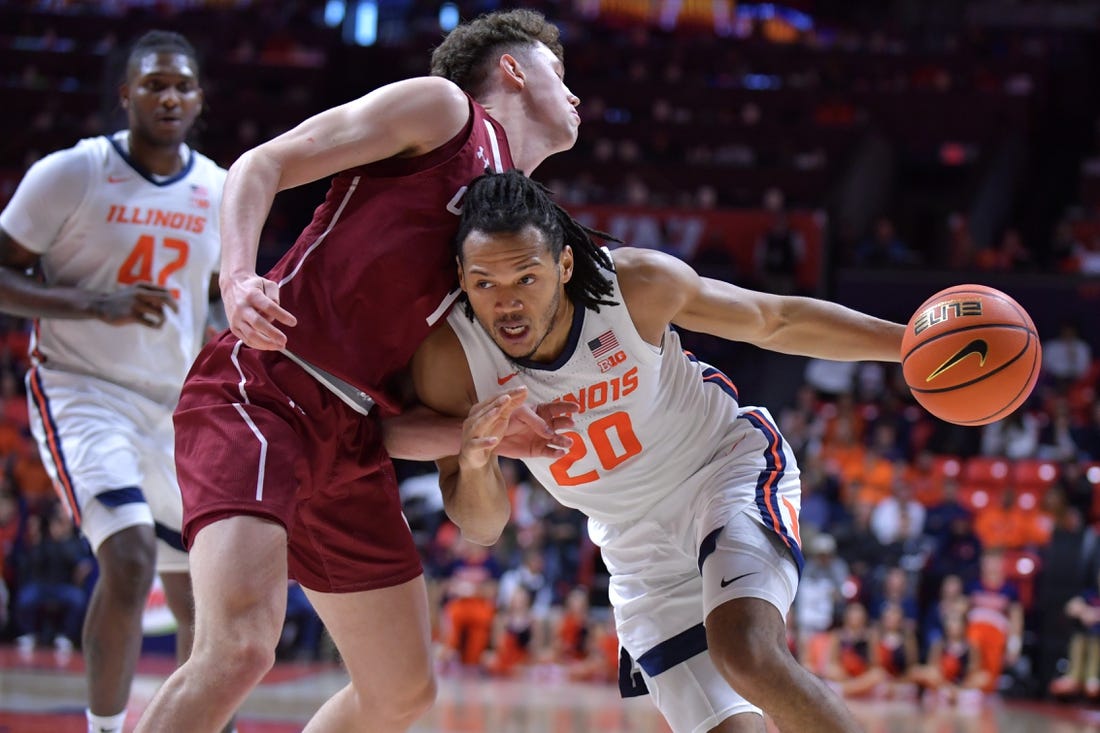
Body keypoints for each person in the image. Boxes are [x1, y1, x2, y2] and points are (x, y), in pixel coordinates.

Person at [136, 10, 579, 732]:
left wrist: (484, 436)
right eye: (560, 76)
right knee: (241, 646)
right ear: (513, 69)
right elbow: (262, 163)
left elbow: (397, 430)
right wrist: (239, 276)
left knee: (401, 691)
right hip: (269, 386)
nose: (577, 98)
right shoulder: (446, 113)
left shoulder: (511, 235)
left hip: (354, 436)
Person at [410, 170, 908, 732]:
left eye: (526, 278)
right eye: (485, 284)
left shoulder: (632, 285)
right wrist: (476, 460)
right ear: (462, 278)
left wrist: (909, 346)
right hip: (633, 543)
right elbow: (483, 526)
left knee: (746, 651)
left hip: (720, 469)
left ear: (564, 266)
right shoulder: (451, 361)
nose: (508, 304)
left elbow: (775, 320)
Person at [0, 31, 226, 733]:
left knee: (209, 601)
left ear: (199, 98)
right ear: (126, 94)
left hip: (174, 405)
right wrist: (94, 303)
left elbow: (213, 298)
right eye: (155, 84)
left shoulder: (218, 187)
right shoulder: (72, 172)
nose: (169, 97)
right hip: (82, 387)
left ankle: (198, 723)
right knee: (127, 559)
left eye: (182, 85)